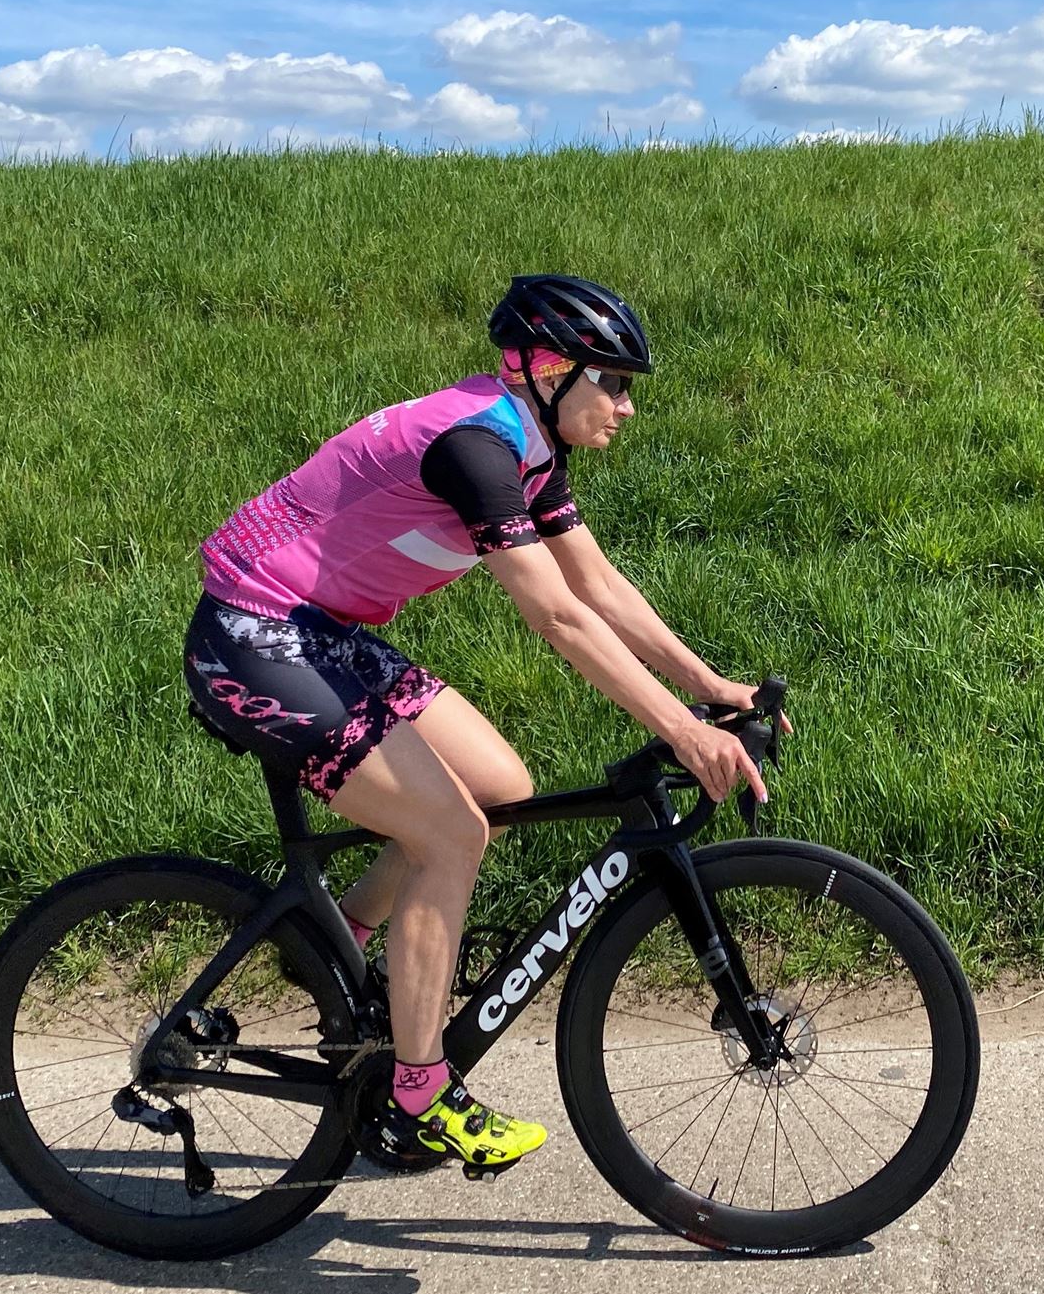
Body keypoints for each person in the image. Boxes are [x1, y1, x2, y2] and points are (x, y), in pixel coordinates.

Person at [185, 273, 774, 1172]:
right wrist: (685, 732)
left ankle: (337, 950)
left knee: (499, 788)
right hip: (253, 634)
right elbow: (559, 616)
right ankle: (420, 1096)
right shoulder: (475, 448)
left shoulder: (526, 445)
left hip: (317, 630)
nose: (626, 406)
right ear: (551, 369)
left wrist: (710, 685)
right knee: (449, 833)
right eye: (614, 382)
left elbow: (597, 585)